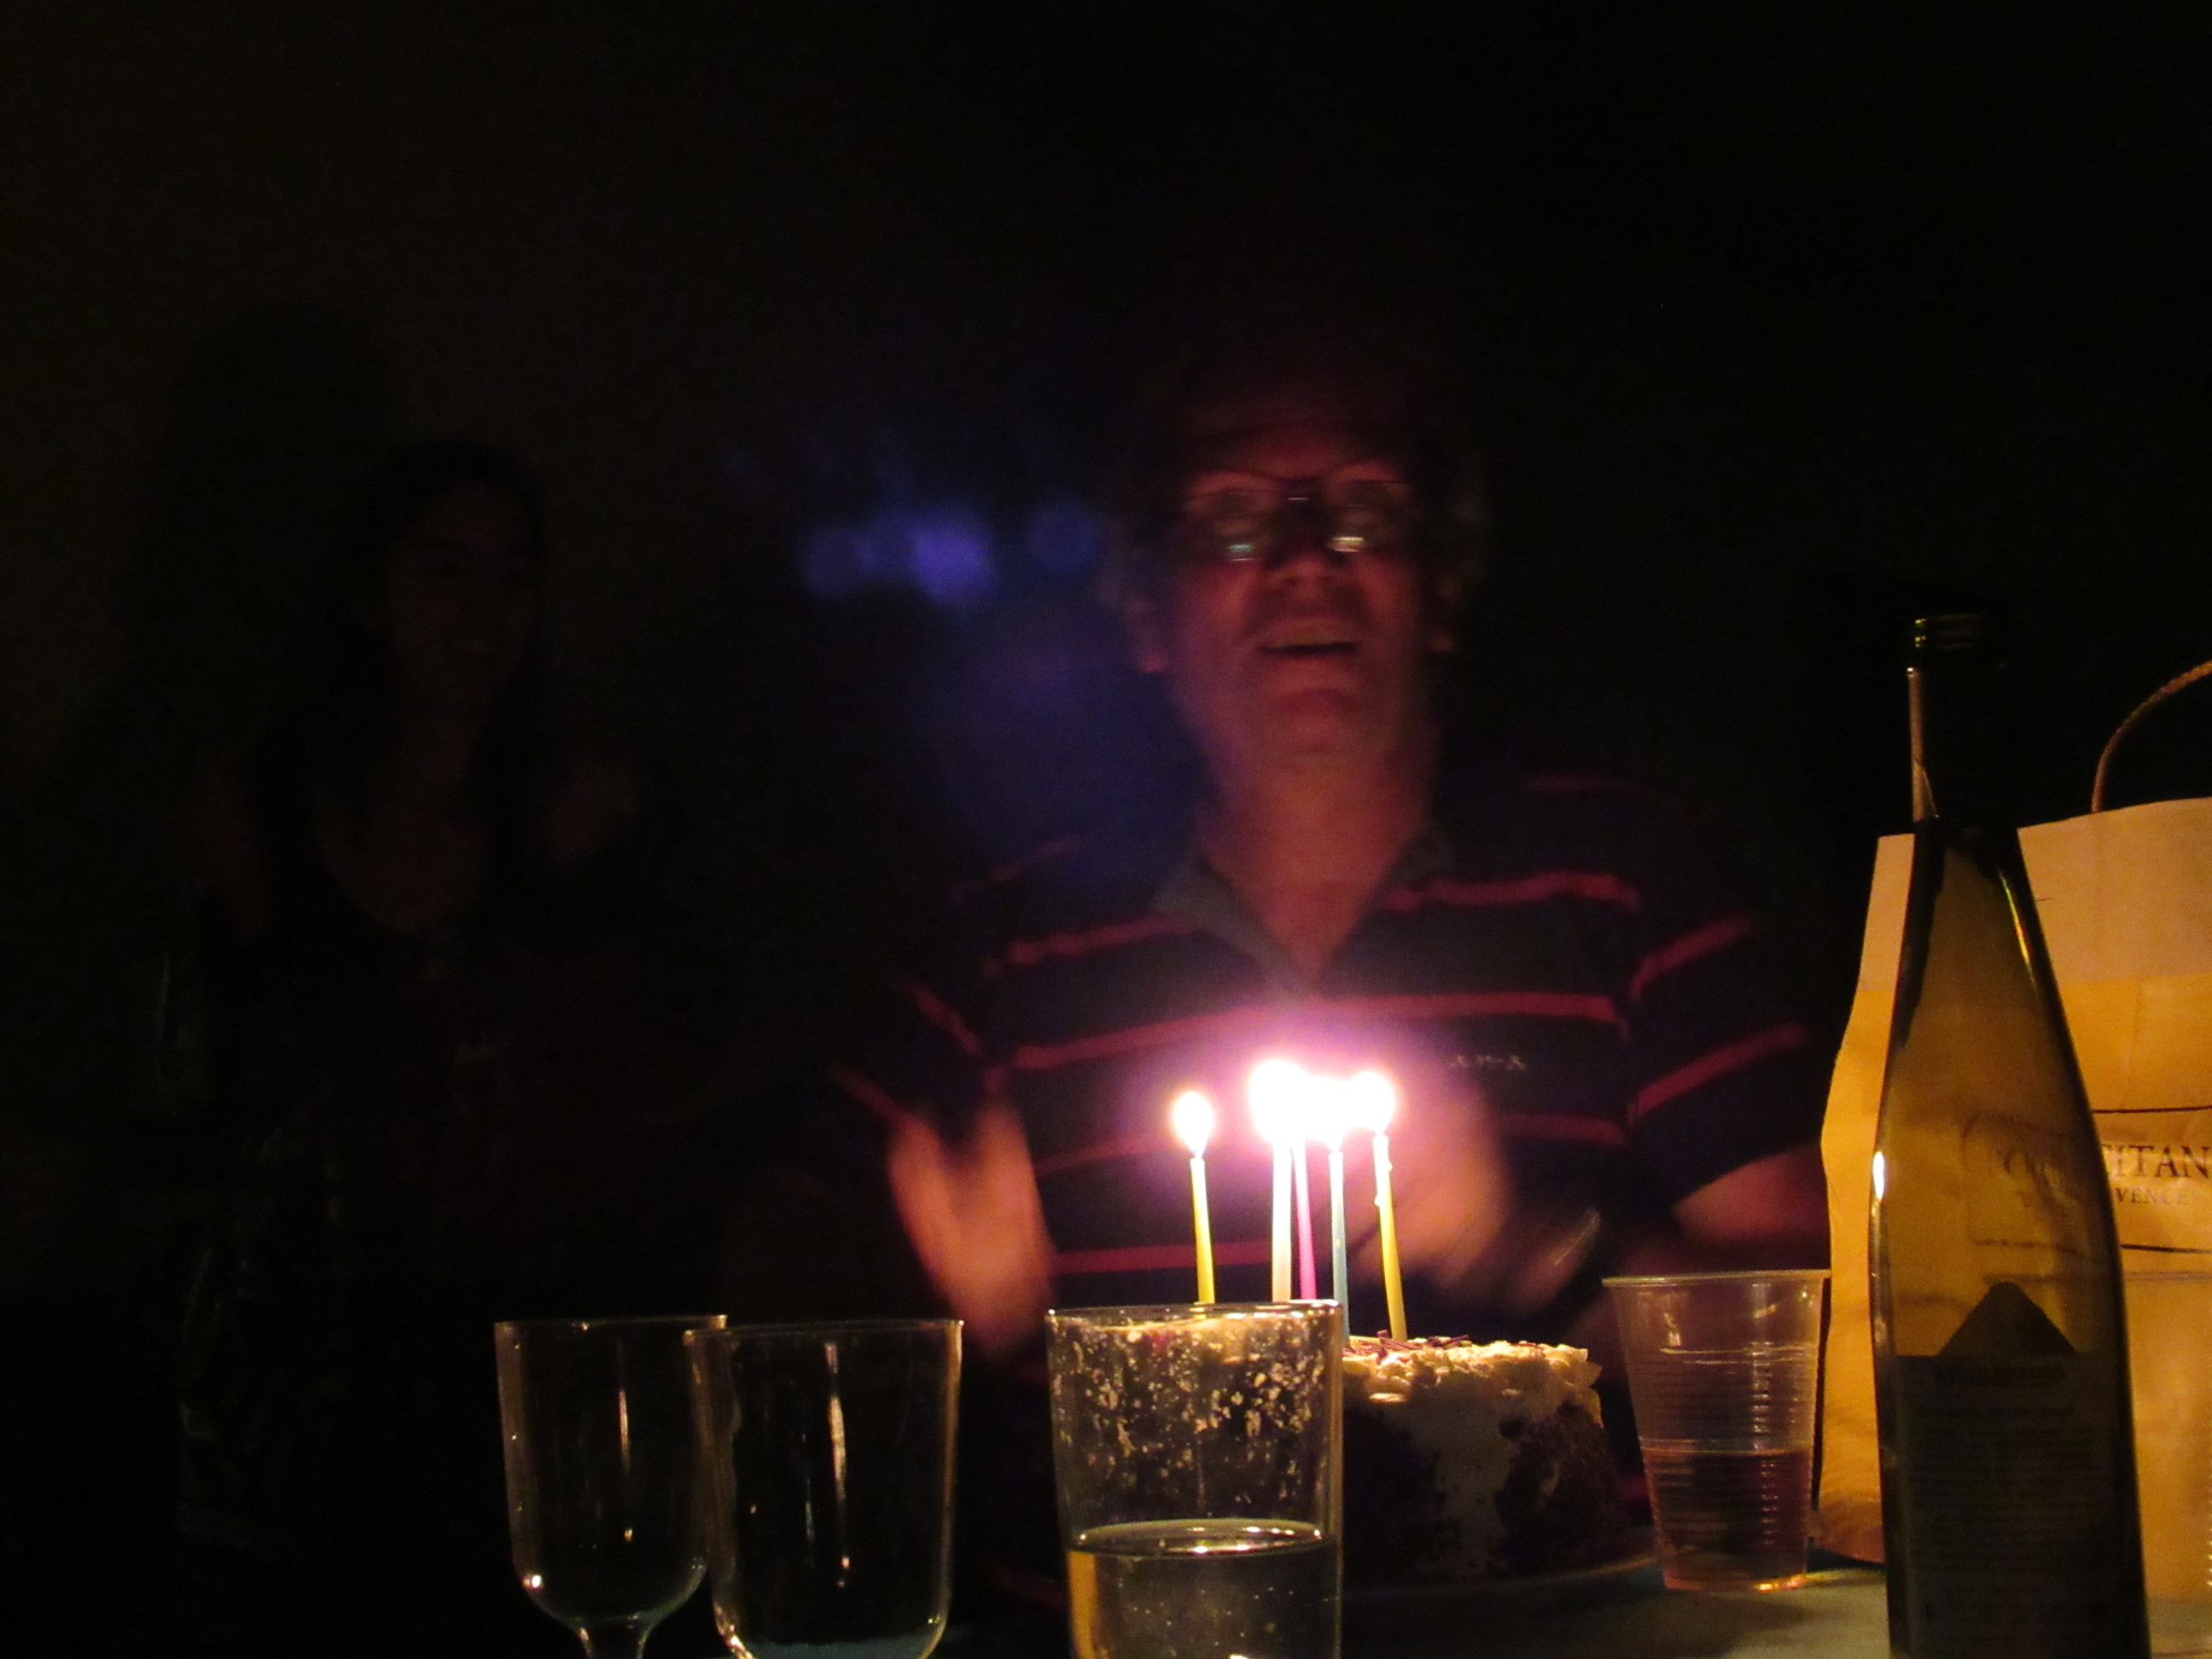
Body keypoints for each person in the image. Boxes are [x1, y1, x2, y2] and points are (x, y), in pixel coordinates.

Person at [834, 324, 1829, 1604]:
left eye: (1364, 513)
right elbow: (780, 1296)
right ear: (1146, 612)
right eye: (1234, 522)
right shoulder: (1011, 941)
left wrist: (1531, 1241)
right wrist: (935, 1313)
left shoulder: (1624, 880)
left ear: (1442, 589)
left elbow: (1813, 1341)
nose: (1306, 562)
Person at [170, 440, 735, 1656]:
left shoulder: (579, 808)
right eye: (444, 572)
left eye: (513, 577)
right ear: (369, 595)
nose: (484, 613)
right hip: (308, 1398)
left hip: (526, 1385)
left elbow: (656, 1086)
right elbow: (207, 1096)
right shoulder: (264, 811)